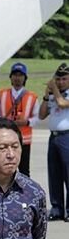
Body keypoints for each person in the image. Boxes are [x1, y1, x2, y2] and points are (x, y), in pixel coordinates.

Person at [0, 62, 38, 176]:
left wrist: (27, 122)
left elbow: (38, 117)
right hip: (5, 139)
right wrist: (4, 123)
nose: (17, 78)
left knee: (24, 170)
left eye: (20, 75)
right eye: (15, 75)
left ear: (25, 78)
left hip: (24, 140)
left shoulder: (32, 97)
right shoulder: (1, 94)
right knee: (5, 168)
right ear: (11, 77)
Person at [38, 62, 69, 222]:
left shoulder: (65, 94)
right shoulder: (53, 95)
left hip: (67, 136)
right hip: (54, 137)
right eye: (58, 79)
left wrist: (54, 89)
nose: (60, 82)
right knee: (54, 173)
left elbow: (63, 104)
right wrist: (46, 95)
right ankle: (57, 208)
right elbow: (42, 115)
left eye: (64, 79)